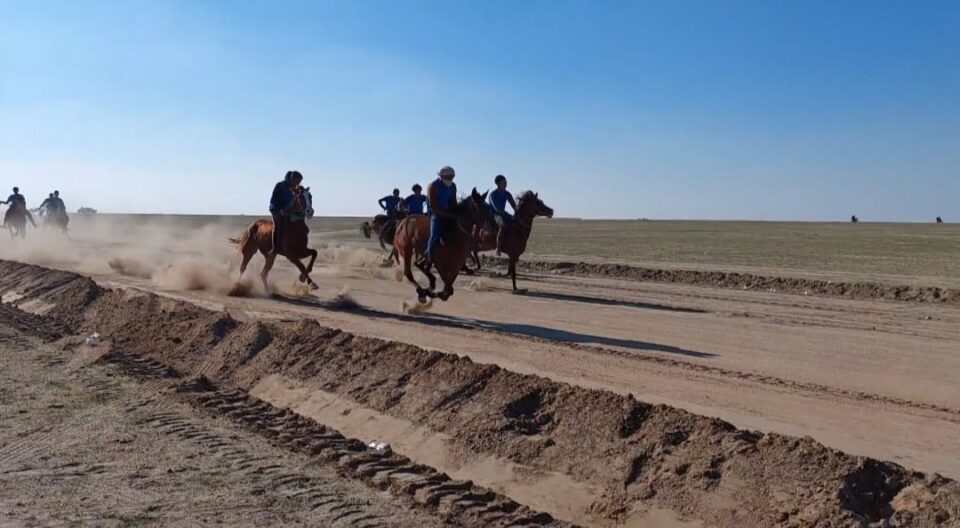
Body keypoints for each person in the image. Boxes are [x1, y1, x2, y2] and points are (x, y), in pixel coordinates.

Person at [426, 166, 458, 266]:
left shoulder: (453, 186)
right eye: (448, 177)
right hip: (436, 214)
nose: (450, 180)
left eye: (452, 177)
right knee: (435, 235)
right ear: (441, 176)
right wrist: (447, 215)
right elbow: (434, 206)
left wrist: (457, 212)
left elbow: (453, 202)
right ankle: (429, 257)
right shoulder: (433, 186)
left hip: (448, 213)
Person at [269, 171, 304, 253]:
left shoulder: (294, 188)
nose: (298, 183)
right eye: (298, 181)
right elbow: (275, 199)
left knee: (297, 221)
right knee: (278, 225)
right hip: (276, 208)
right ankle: (275, 247)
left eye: (300, 182)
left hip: (287, 209)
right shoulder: (280, 185)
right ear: (292, 179)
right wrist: (281, 210)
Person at [488, 175, 517, 256]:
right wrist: (509, 216)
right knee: (503, 225)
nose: (505, 184)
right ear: (498, 184)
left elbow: (515, 207)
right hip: (495, 215)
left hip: (504, 214)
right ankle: (498, 248)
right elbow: (497, 209)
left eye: (506, 182)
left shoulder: (507, 194)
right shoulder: (493, 194)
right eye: (503, 182)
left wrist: (518, 214)